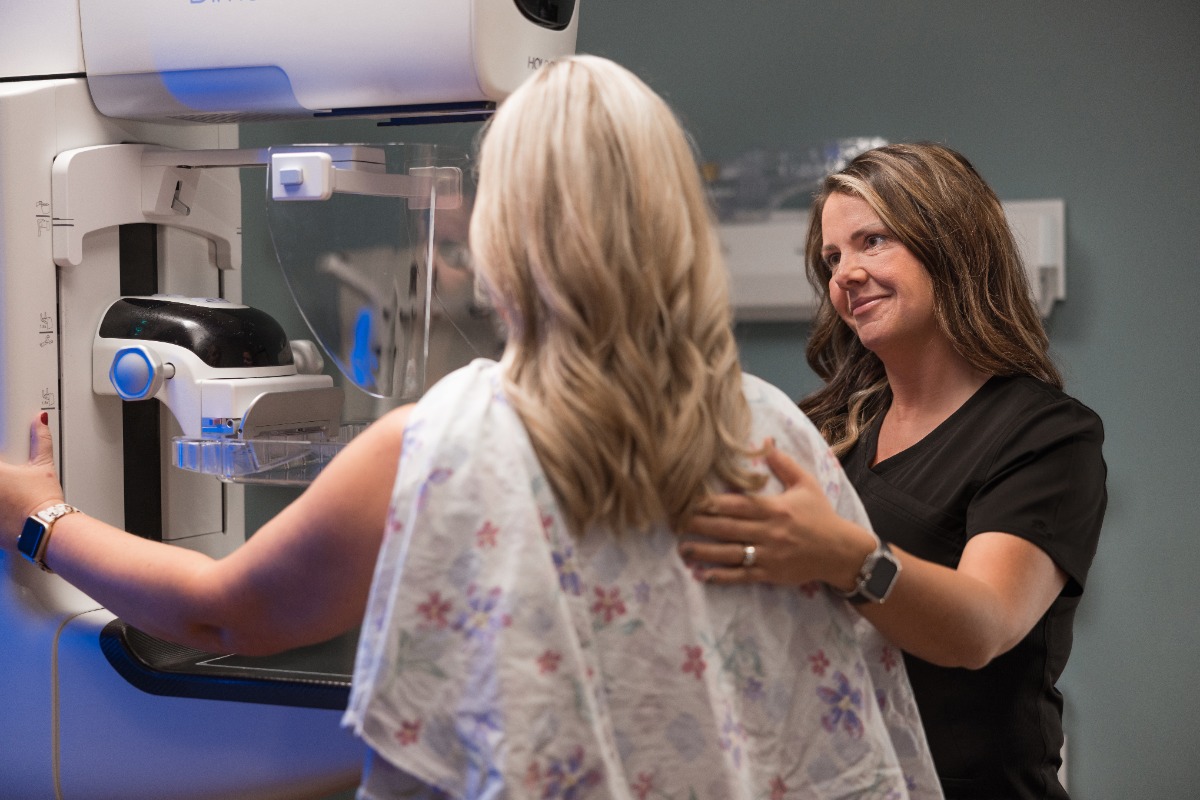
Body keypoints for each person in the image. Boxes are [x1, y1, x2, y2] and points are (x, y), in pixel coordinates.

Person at [1, 58, 941, 799]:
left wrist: (40, 519)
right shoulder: (773, 430)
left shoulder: (443, 442)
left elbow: (222, 612)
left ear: (504, 234)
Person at [682, 142, 1107, 800]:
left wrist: (846, 557)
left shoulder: (1045, 435)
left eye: (871, 241)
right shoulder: (823, 434)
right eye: (832, 258)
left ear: (951, 244)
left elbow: (982, 625)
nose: (845, 274)